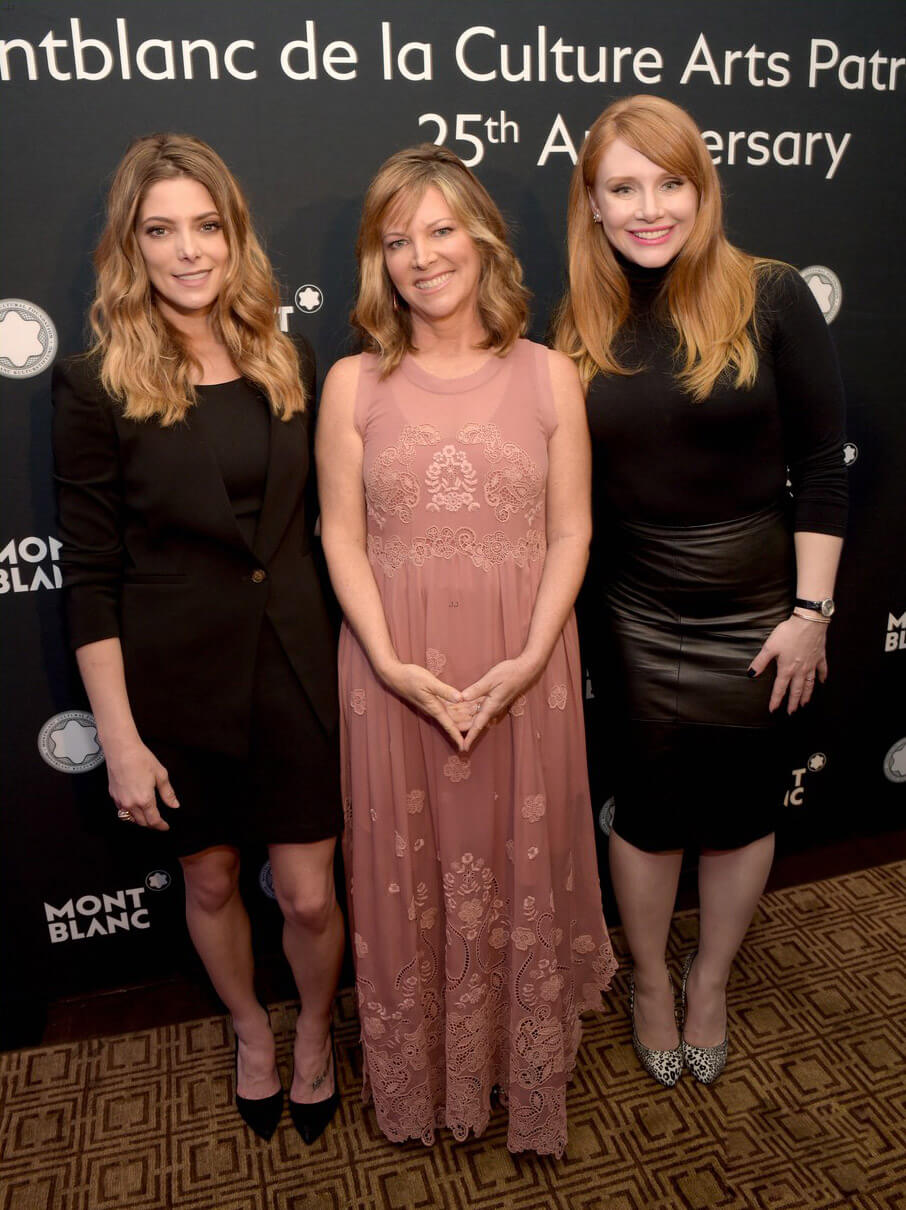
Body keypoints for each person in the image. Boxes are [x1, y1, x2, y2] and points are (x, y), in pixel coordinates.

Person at [316, 144, 616, 1156]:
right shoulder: (352, 384)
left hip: (522, 659)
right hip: (392, 670)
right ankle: (426, 1072)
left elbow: (573, 529)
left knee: (513, 862)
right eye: (397, 240)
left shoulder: (548, 375)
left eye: (440, 229)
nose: (420, 256)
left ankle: (510, 1066)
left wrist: (532, 656)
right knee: (409, 871)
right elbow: (342, 536)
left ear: (483, 238)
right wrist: (391, 662)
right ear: (378, 261)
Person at [52, 133, 344, 1143]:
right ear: (131, 246)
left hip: (299, 668)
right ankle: (249, 1030)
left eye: (207, 226)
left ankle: (314, 1030)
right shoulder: (96, 383)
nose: (188, 251)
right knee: (213, 875)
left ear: (235, 234)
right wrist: (120, 739)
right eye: (161, 230)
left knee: (308, 896)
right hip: (177, 682)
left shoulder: (288, 355)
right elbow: (90, 575)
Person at [555, 95, 846, 1086]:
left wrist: (810, 615)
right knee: (645, 812)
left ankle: (710, 977)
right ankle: (647, 978)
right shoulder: (578, 320)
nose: (649, 208)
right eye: (623, 187)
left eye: (669, 183)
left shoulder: (770, 295)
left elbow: (824, 465)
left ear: (701, 188)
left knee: (741, 811)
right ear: (591, 204)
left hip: (759, 606)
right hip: (630, 609)